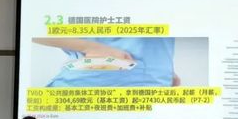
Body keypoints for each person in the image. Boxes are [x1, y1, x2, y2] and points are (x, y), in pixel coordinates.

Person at [33, 36, 181, 87]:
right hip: (89, 85)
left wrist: (164, 67)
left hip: (156, 87)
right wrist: (92, 47)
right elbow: (34, 25)